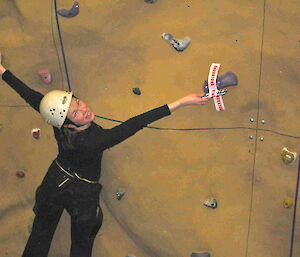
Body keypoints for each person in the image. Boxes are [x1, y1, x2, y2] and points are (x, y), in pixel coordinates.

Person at [0, 51, 211, 257]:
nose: (83, 110)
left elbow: (28, 94)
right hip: (82, 193)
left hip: (55, 180)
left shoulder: (57, 120)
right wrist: (182, 102)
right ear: (69, 124)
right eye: (76, 113)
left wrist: (1, 69)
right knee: (82, 244)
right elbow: (135, 123)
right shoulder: (96, 141)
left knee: (41, 232)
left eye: (79, 103)